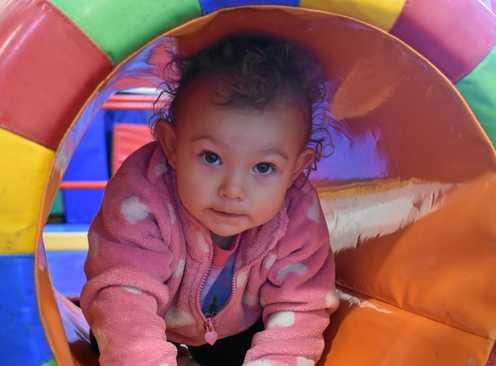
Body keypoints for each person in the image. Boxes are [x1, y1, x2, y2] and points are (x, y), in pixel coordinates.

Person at [80, 34, 339, 366]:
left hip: (237, 337)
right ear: (172, 146)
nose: (233, 189)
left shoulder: (297, 213)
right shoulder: (143, 195)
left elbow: (302, 305)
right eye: (211, 157)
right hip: (146, 329)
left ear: (296, 170)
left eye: (263, 167)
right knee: (112, 330)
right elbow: (124, 297)